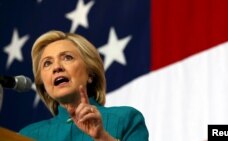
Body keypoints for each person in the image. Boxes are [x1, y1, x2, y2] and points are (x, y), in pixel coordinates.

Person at [19, 30, 149, 141]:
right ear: (43, 83)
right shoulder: (27, 135)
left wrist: (102, 137)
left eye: (67, 57)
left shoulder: (126, 119)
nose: (56, 67)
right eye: (47, 63)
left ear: (90, 74)